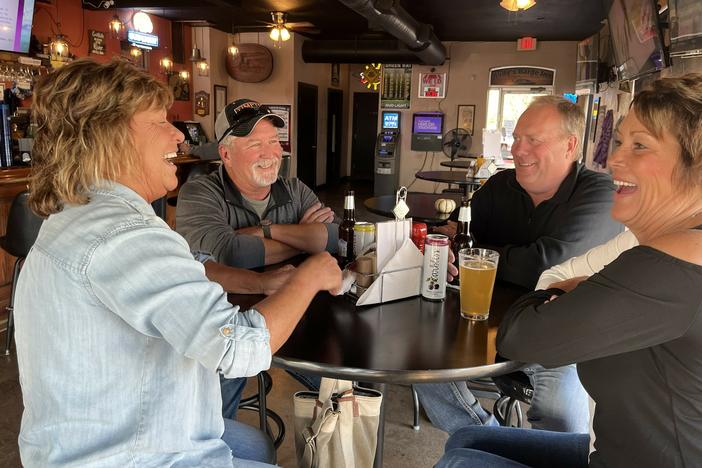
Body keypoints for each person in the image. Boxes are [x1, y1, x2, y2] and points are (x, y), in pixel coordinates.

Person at [14, 58, 342, 468]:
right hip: (129, 453)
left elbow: (195, 263)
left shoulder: (80, 213)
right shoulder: (124, 233)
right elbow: (240, 349)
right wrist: (309, 275)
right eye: (159, 121)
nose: (179, 136)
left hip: (84, 433)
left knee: (255, 446)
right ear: (110, 137)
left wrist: (261, 280)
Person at [438, 73, 702, 468]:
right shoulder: (648, 242)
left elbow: (522, 335)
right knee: (468, 438)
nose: (614, 158)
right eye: (619, 142)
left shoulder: (669, 267)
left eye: (640, 145)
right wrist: (576, 286)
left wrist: (570, 288)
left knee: (461, 464)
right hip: (610, 450)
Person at [415, 95, 624, 435]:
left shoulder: (599, 193)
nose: (518, 150)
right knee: (421, 366)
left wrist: (478, 252)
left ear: (570, 145)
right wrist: (465, 248)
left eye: (533, 141)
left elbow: (548, 265)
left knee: (561, 421)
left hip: (559, 331)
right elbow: (455, 235)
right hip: (480, 322)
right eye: (516, 138)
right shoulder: (500, 185)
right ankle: (487, 436)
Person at [175, 99, 338, 269]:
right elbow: (231, 255)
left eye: (273, 141)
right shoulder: (198, 194)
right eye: (255, 144)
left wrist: (267, 230)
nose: (269, 154)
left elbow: (337, 236)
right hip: (228, 296)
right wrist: (306, 239)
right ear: (226, 155)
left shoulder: (295, 190)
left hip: (299, 293)